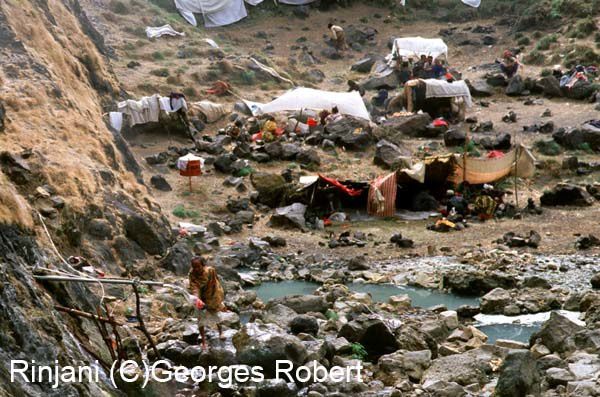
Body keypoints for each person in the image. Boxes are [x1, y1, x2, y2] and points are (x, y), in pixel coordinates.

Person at [188, 256, 226, 350]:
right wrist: (197, 299)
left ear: (203, 266)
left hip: (212, 294)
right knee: (200, 317)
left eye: (198, 266)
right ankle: (204, 342)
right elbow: (194, 287)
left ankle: (221, 332)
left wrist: (217, 295)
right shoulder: (192, 274)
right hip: (200, 295)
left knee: (216, 313)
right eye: (194, 267)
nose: (196, 269)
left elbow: (215, 281)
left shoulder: (210, 271)